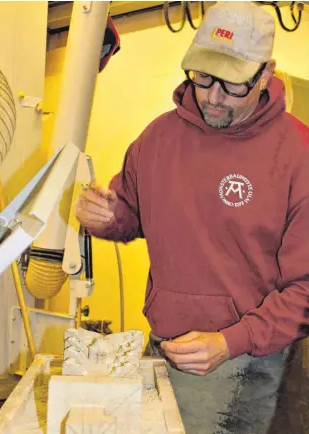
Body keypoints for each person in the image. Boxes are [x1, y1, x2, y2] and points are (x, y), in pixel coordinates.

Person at [75, 2, 309, 433]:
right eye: (202, 76)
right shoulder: (158, 137)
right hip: (162, 349)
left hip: (248, 363)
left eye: (232, 83)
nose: (212, 97)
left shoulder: (297, 154)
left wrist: (230, 341)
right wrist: (105, 217)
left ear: (265, 73)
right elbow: (132, 217)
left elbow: (306, 288)